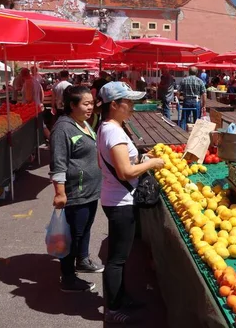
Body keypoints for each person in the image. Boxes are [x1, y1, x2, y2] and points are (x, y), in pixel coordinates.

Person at [97, 82, 165, 323]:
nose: (133, 107)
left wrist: (143, 157)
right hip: (120, 202)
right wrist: (152, 164)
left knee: (121, 256)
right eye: (129, 102)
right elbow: (125, 171)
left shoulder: (109, 126)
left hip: (115, 197)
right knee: (116, 258)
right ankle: (113, 309)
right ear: (114, 105)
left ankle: (121, 297)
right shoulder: (113, 131)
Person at [49, 85, 104, 292]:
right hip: (75, 191)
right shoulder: (63, 128)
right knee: (72, 234)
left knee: (85, 228)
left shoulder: (81, 123)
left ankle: (82, 260)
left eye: (92, 103)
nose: (91, 107)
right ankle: (68, 277)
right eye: (86, 103)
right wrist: (60, 192)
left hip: (90, 190)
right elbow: (58, 163)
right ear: (72, 105)